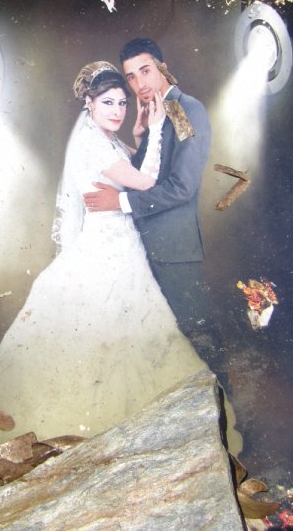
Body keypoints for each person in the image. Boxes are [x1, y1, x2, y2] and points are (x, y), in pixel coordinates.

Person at [0, 61, 207, 446]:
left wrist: (138, 134)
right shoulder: (92, 143)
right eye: (108, 103)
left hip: (119, 241)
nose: (117, 110)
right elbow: (146, 181)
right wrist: (160, 127)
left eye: (121, 104)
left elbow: (132, 166)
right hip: (106, 248)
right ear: (89, 103)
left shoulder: (106, 138)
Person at [83, 38, 212, 354]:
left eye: (145, 71)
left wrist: (121, 202)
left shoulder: (183, 109)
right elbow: (152, 175)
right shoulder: (157, 111)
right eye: (131, 76)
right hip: (148, 244)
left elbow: (182, 186)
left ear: (162, 67)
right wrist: (141, 139)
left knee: (197, 337)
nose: (139, 84)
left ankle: (227, 401)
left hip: (175, 249)